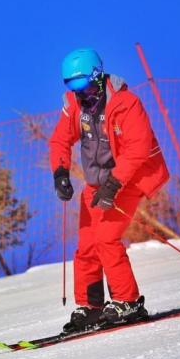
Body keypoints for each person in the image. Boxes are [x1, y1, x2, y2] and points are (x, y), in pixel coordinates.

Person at [49, 48, 169, 332]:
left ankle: (128, 302)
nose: (81, 92)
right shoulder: (75, 106)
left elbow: (138, 149)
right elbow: (59, 141)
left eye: (84, 84)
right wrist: (60, 173)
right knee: (87, 245)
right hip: (96, 184)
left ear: (98, 76)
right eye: (72, 86)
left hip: (129, 179)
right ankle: (91, 307)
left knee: (106, 238)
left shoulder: (126, 103)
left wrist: (114, 184)